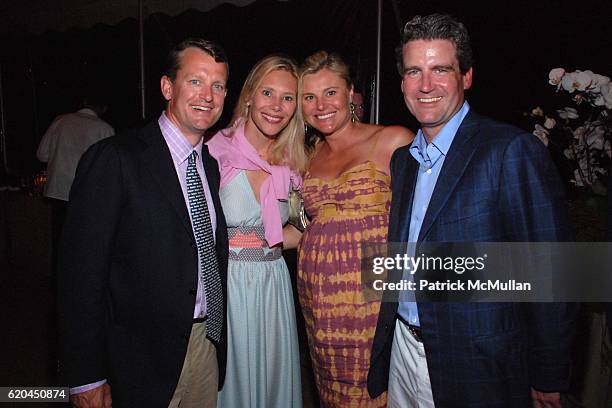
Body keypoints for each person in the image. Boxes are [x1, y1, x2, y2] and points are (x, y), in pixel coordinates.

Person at [367, 14, 577, 408]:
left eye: (440, 69)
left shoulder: (509, 150)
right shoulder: (403, 161)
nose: (425, 85)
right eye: (414, 71)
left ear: (466, 77)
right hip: (403, 351)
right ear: (401, 83)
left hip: (478, 363)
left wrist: (548, 373)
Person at [57, 38, 230, 408]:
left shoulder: (210, 167)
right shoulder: (115, 158)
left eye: (218, 85)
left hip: (203, 344)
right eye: (195, 81)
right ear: (168, 87)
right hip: (138, 358)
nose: (208, 95)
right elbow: (80, 276)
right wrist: (86, 374)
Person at [297, 50, 413, 407]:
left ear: (351, 94)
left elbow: (423, 221)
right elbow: (303, 226)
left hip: (372, 296)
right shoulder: (307, 155)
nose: (321, 105)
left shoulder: (392, 139)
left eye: (330, 92)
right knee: (331, 391)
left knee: (376, 390)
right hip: (319, 299)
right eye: (309, 97)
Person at [206, 54, 307, 408]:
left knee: (271, 381)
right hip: (228, 282)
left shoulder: (294, 162)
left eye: (288, 97)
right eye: (267, 92)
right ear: (249, 95)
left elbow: (299, 228)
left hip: (273, 282)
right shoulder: (213, 152)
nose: (276, 106)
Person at [36, 92, 114, 269]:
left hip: (58, 189)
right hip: (86, 193)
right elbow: (108, 166)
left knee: (59, 239)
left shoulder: (60, 121)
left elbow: (42, 154)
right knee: (82, 242)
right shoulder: (104, 129)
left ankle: (57, 280)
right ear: (104, 109)